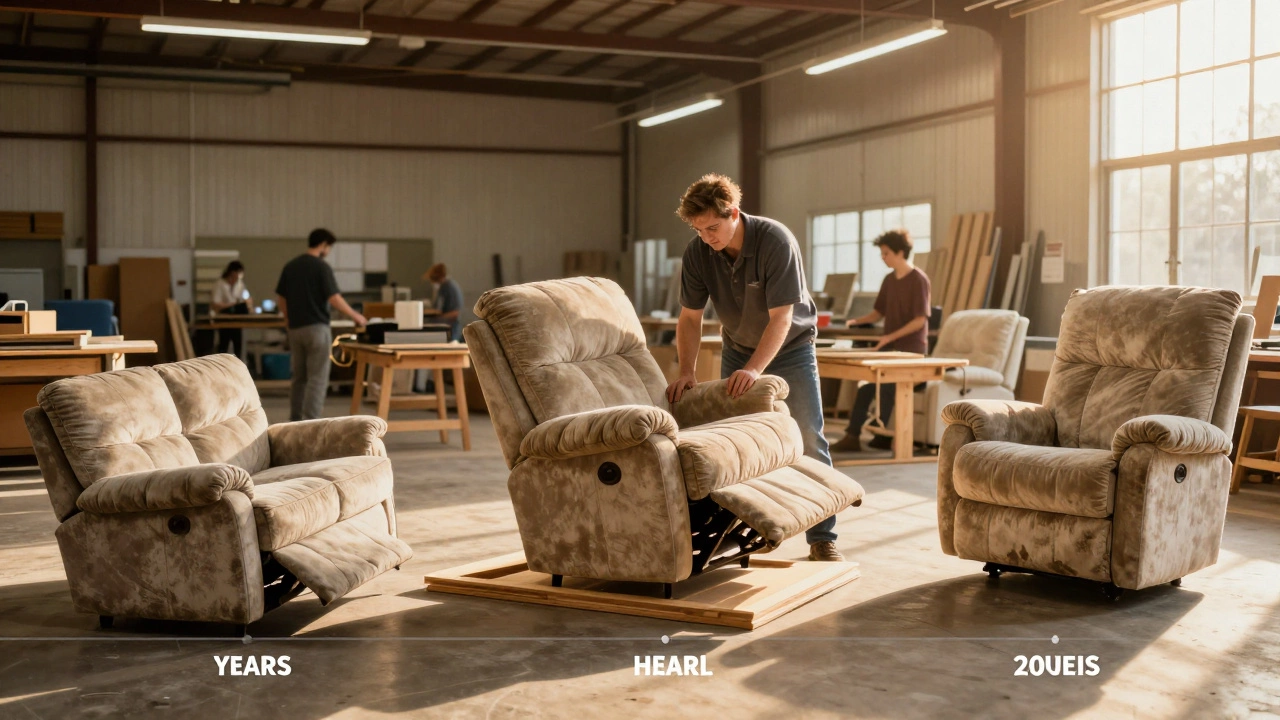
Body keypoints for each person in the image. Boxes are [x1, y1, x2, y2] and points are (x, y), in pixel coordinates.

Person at [664, 173, 843, 563]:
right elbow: (690, 318)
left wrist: (755, 370)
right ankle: (745, 533)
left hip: (791, 346)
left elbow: (782, 318)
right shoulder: (697, 253)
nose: (707, 237)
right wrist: (687, 372)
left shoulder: (775, 241)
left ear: (735, 213)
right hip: (738, 348)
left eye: (713, 227)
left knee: (808, 436)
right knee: (741, 444)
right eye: (699, 229)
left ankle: (823, 539)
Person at [830, 230, 931, 453]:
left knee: (882, 387)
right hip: (890, 350)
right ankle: (856, 436)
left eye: (886, 253)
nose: (883, 257)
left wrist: (889, 337)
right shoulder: (889, 280)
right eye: (882, 254)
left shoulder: (919, 280)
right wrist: (855, 321)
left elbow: (919, 321)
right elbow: (878, 313)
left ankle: (874, 436)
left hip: (911, 353)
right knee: (867, 388)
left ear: (900, 252)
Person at [275, 229, 368, 422]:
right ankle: (311, 421)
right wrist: (355, 315)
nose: (329, 251)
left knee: (299, 378)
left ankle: (295, 420)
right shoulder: (321, 267)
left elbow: (281, 298)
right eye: (329, 247)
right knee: (317, 378)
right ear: (324, 244)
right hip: (317, 329)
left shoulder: (291, 266)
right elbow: (334, 298)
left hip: (295, 329)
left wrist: (288, 319)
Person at [210, 260, 250, 356]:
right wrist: (231, 305)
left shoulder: (239, 284)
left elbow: (245, 297)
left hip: (237, 318)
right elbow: (215, 304)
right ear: (232, 273)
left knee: (238, 345)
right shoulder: (220, 284)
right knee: (223, 344)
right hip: (224, 318)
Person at [425, 263, 464, 342]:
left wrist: (436, 320)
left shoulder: (449, 287)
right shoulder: (444, 287)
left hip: (451, 330)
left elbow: (455, 313)